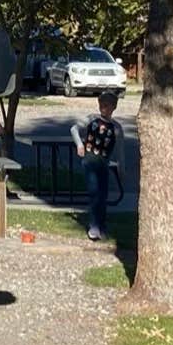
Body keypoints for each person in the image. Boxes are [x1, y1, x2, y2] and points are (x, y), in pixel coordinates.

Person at [71, 90, 124, 242]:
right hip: (89, 161)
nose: (104, 108)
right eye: (101, 105)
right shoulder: (92, 119)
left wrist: (121, 167)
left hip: (104, 164)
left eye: (107, 105)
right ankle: (94, 226)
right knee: (94, 193)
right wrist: (79, 144)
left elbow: (120, 151)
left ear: (114, 107)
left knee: (103, 195)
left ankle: (101, 225)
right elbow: (74, 129)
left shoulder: (116, 127)